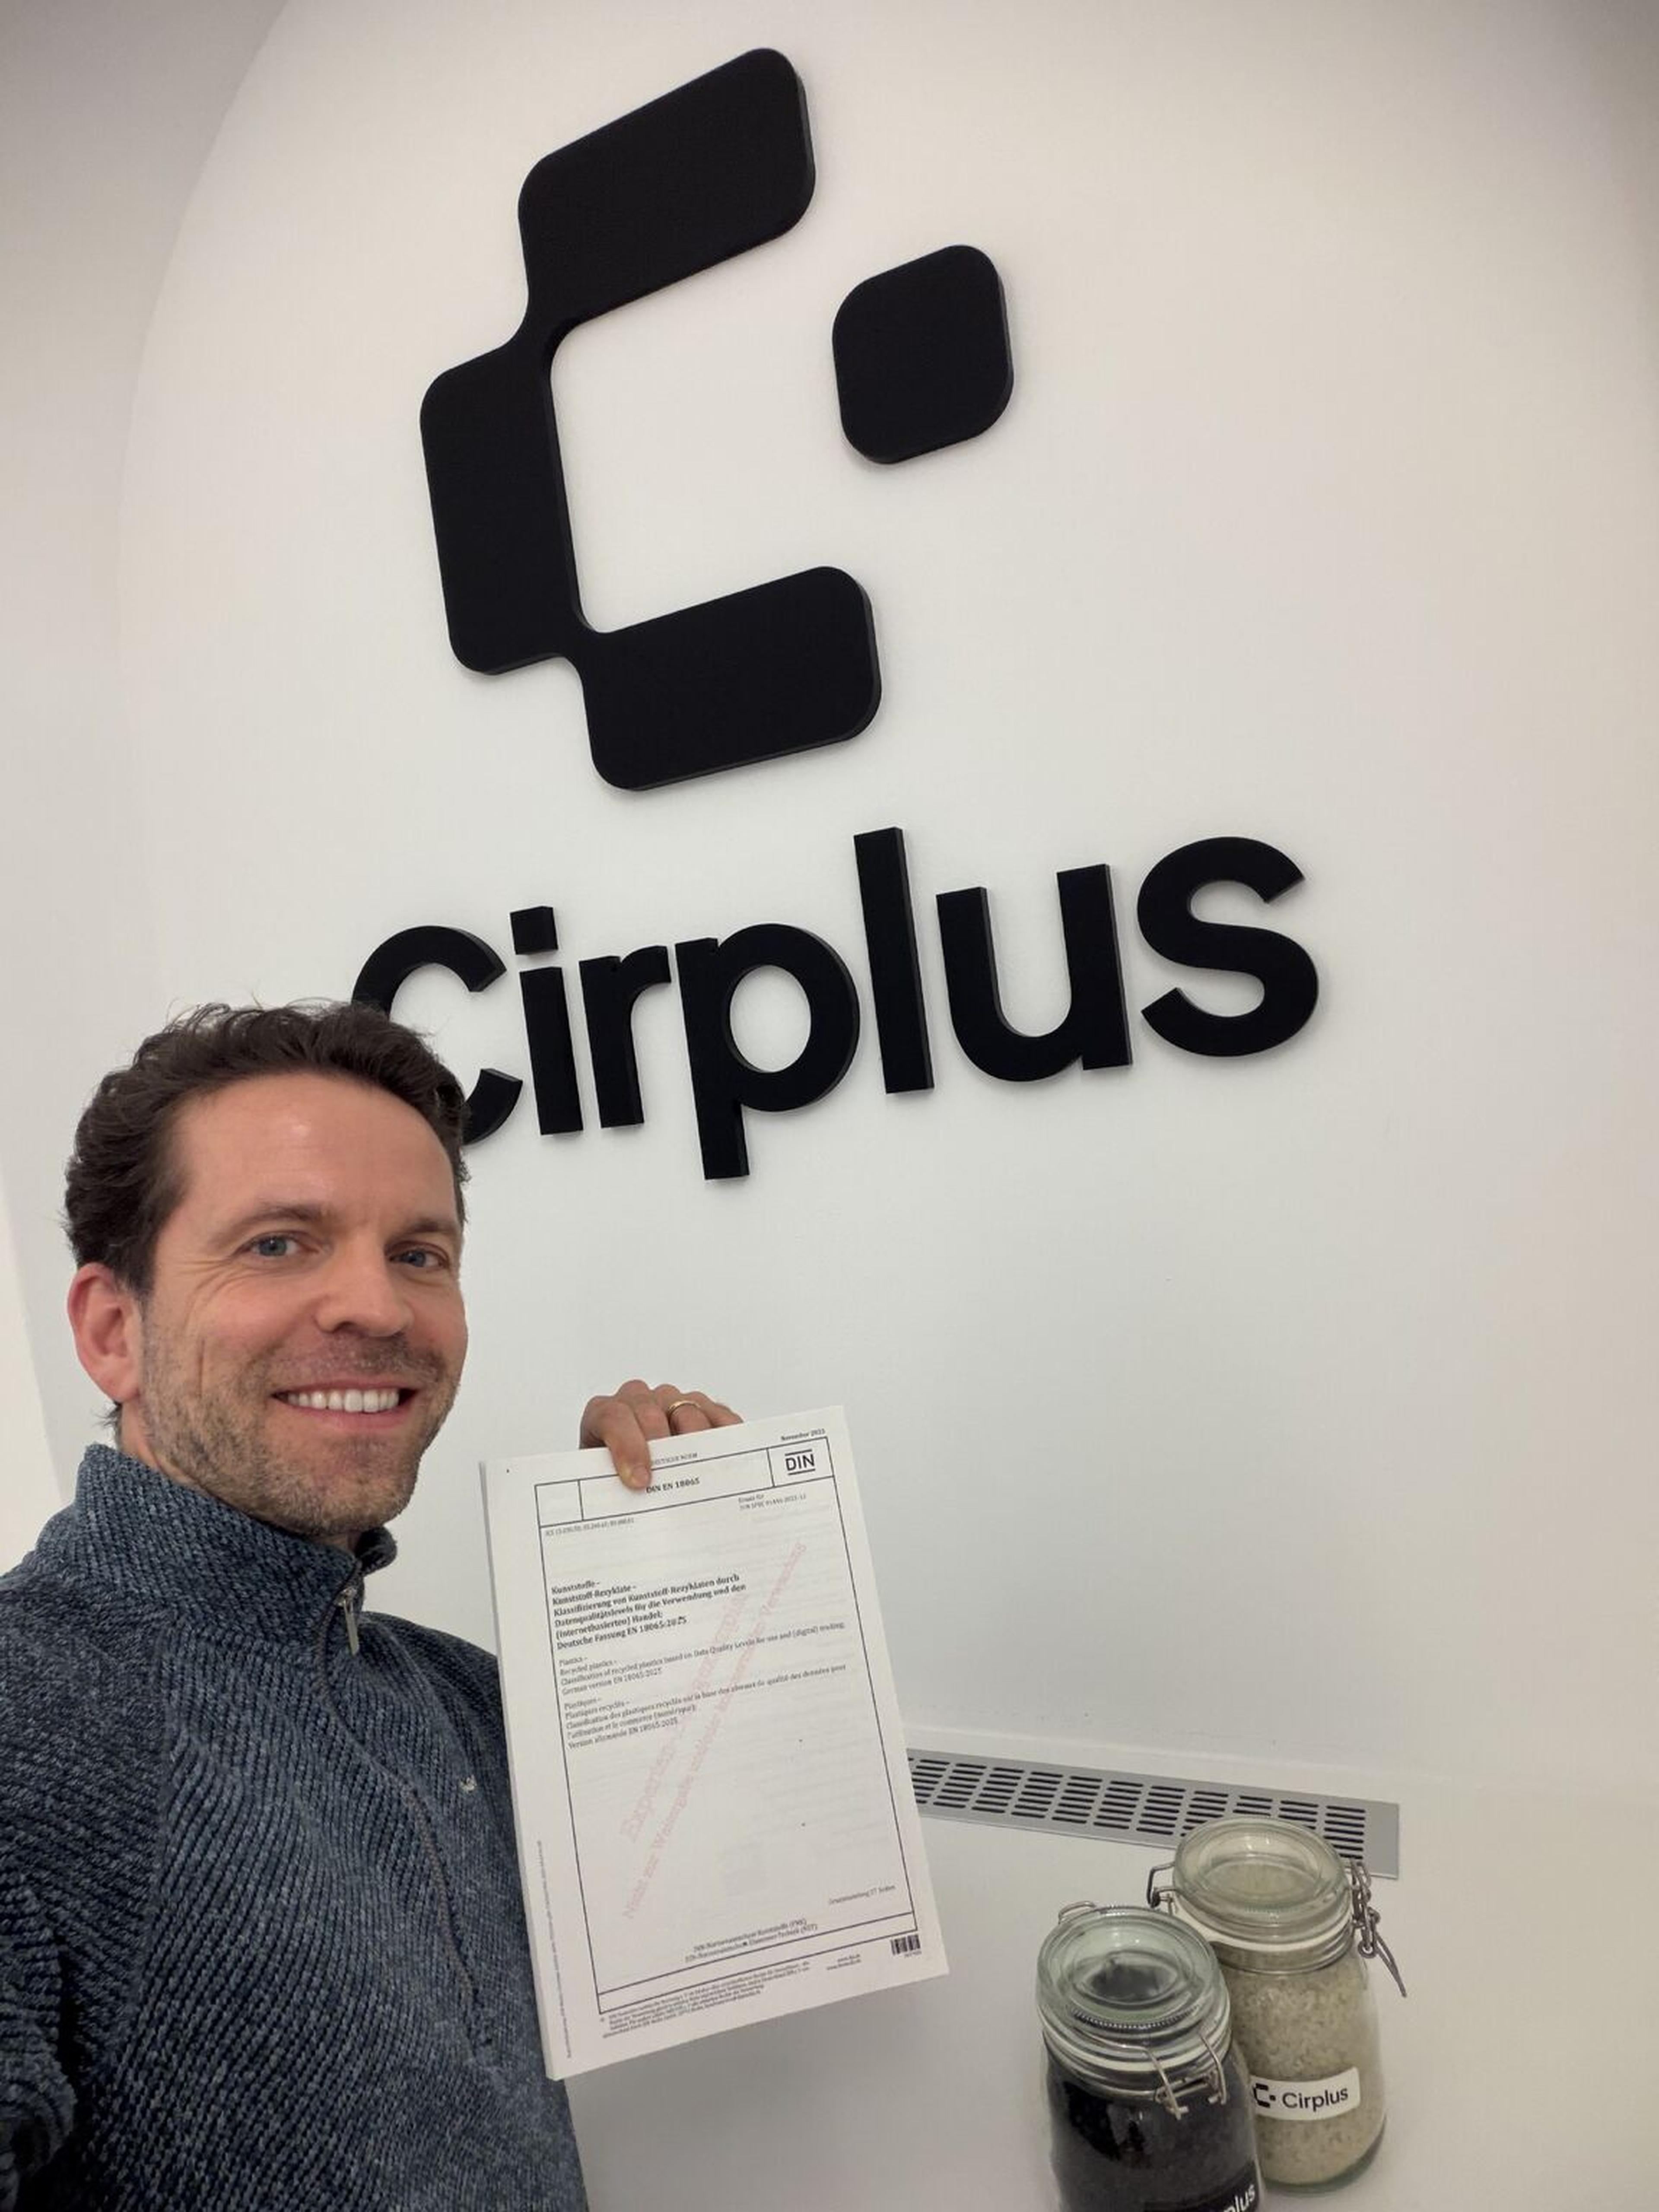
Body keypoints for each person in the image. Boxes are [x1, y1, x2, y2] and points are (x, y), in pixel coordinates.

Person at [0, 1001, 740, 2209]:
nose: (381, 1309)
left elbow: (719, 1890)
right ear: (111, 1329)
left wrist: (663, 1562)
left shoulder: (459, 1699)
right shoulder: (24, 1714)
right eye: (280, 1244)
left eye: (419, 1254)